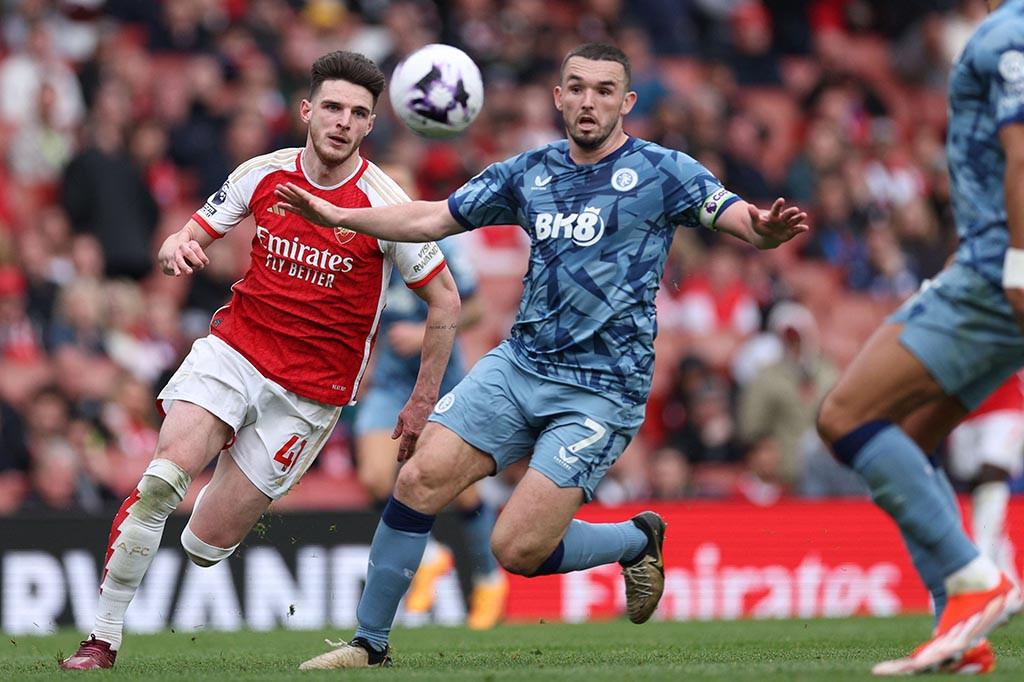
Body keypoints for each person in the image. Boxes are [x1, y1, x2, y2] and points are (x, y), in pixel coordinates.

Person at [276, 42, 808, 670]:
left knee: (518, 549)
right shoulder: (529, 172)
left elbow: (736, 216)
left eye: (605, 90)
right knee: (418, 478)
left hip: (602, 390)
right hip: (519, 366)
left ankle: (637, 540)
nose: (589, 101)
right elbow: (431, 220)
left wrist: (762, 228)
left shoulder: (665, 171)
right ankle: (368, 645)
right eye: (577, 87)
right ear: (558, 97)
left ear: (627, 102)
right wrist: (340, 214)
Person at [59, 50, 462, 670]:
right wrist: (175, 246)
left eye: (358, 113)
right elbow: (188, 236)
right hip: (236, 352)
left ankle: (225, 469)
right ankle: (102, 637)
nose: (342, 121)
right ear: (307, 110)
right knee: (162, 481)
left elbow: (446, 300)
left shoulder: (384, 205)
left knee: (203, 545)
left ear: (370, 125)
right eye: (332, 106)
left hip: (309, 395)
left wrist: (421, 399)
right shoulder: (264, 174)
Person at [816, 1, 1024, 675]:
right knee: (908, 439)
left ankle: (977, 579)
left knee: (845, 415)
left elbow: (1022, 154)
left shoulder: (1007, 33)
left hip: (995, 275)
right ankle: (961, 634)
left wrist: (1018, 270)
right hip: (992, 268)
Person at [352, 169, 507, 628]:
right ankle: (431, 555)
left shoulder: (443, 245)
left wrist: (425, 331)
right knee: (376, 477)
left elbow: (476, 308)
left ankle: (488, 577)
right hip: (387, 385)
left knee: (460, 488)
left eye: (398, 189)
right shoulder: (364, 242)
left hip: (440, 380)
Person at [946, 373, 1024, 588]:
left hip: (1008, 404)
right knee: (978, 490)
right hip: (964, 412)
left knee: (991, 474)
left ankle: (981, 563)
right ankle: (1010, 582)